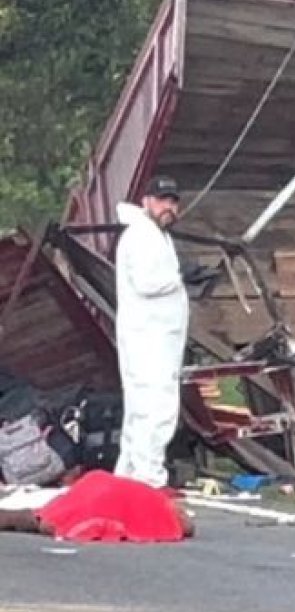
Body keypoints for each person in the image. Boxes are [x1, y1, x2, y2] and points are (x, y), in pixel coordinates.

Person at [113, 175, 189, 490]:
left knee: (142, 408)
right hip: (149, 338)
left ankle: (130, 475)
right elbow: (147, 282)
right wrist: (181, 277)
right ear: (146, 201)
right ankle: (148, 478)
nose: (168, 207)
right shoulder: (140, 235)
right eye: (162, 200)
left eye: (172, 201)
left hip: (157, 337)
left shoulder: (155, 235)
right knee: (154, 408)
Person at [0, 469, 194, 541]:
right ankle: (12, 518)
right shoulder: (163, 516)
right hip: (99, 491)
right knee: (51, 517)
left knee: (51, 516)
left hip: (98, 489)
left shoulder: (162, 511)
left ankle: (12, 518)